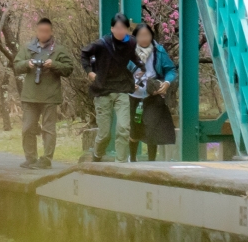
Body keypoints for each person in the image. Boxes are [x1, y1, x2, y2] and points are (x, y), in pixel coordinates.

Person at [18, 16, 75, 171]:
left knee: (48, 129)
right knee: (28, 127)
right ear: (36, 31)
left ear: (51, 32)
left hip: (50, 95)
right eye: (41, 31)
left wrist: (54, 64)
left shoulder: (58, 50)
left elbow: (69, 69)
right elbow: (16, 66)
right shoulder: (27, 48)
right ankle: (30, 158)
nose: (43, 34)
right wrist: (27, 64)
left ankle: (46, 159)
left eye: (46, 31)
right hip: (30, 95)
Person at [81, 13, 137, 163]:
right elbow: (84, 54)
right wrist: (90, 72)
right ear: (112, 28)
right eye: (117, 28)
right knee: (105, 133)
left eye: (123, 28)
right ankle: (97, 155)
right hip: (103, 90)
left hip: (122, 90)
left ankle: (121, 163)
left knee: (123, 128)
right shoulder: (101, 44)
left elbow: (137, 58)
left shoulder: (131, 43)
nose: (120, 31)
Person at [128, 21, 178, 162]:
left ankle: (151, 162)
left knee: (152, 127)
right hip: (134, 96)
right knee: (135, 129)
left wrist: (167, 82)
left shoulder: (159, 50)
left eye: (147, 35)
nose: (144, 39)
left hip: (153, 94)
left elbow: (170, 69)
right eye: (141, 36)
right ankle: (132, 158)